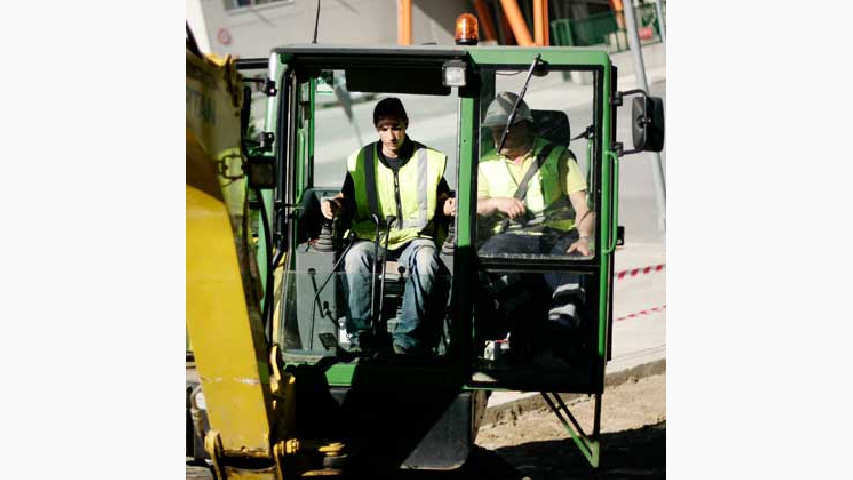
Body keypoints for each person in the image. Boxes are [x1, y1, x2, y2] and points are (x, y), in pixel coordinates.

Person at [321, 98, 456, 355]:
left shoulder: (428, 159)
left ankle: (406, 339)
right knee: (355, 258)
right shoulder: (360, 160)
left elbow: (441, 198)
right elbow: (346, 196)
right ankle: (361, 335)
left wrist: (447, 207)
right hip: (373, 237)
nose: (391, 135)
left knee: (428, 260)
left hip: (416, 237)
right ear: (376, 128)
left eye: (395, 127)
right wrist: (333, 205)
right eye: (384, 128)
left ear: (406, 124)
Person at [476, 91, 594, 331]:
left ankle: (560, 328)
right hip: (509, 239)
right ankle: (524, 323)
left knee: (577, 260)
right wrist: (497, 202)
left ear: (524, 127)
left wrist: (583, 238)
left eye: (503, 129)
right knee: (488, 256)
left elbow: (584, 207)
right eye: (494, 130)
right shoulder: (486, 164)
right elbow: (474, 205)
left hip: (556, 238)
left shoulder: (558, 157)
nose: (497, 137)